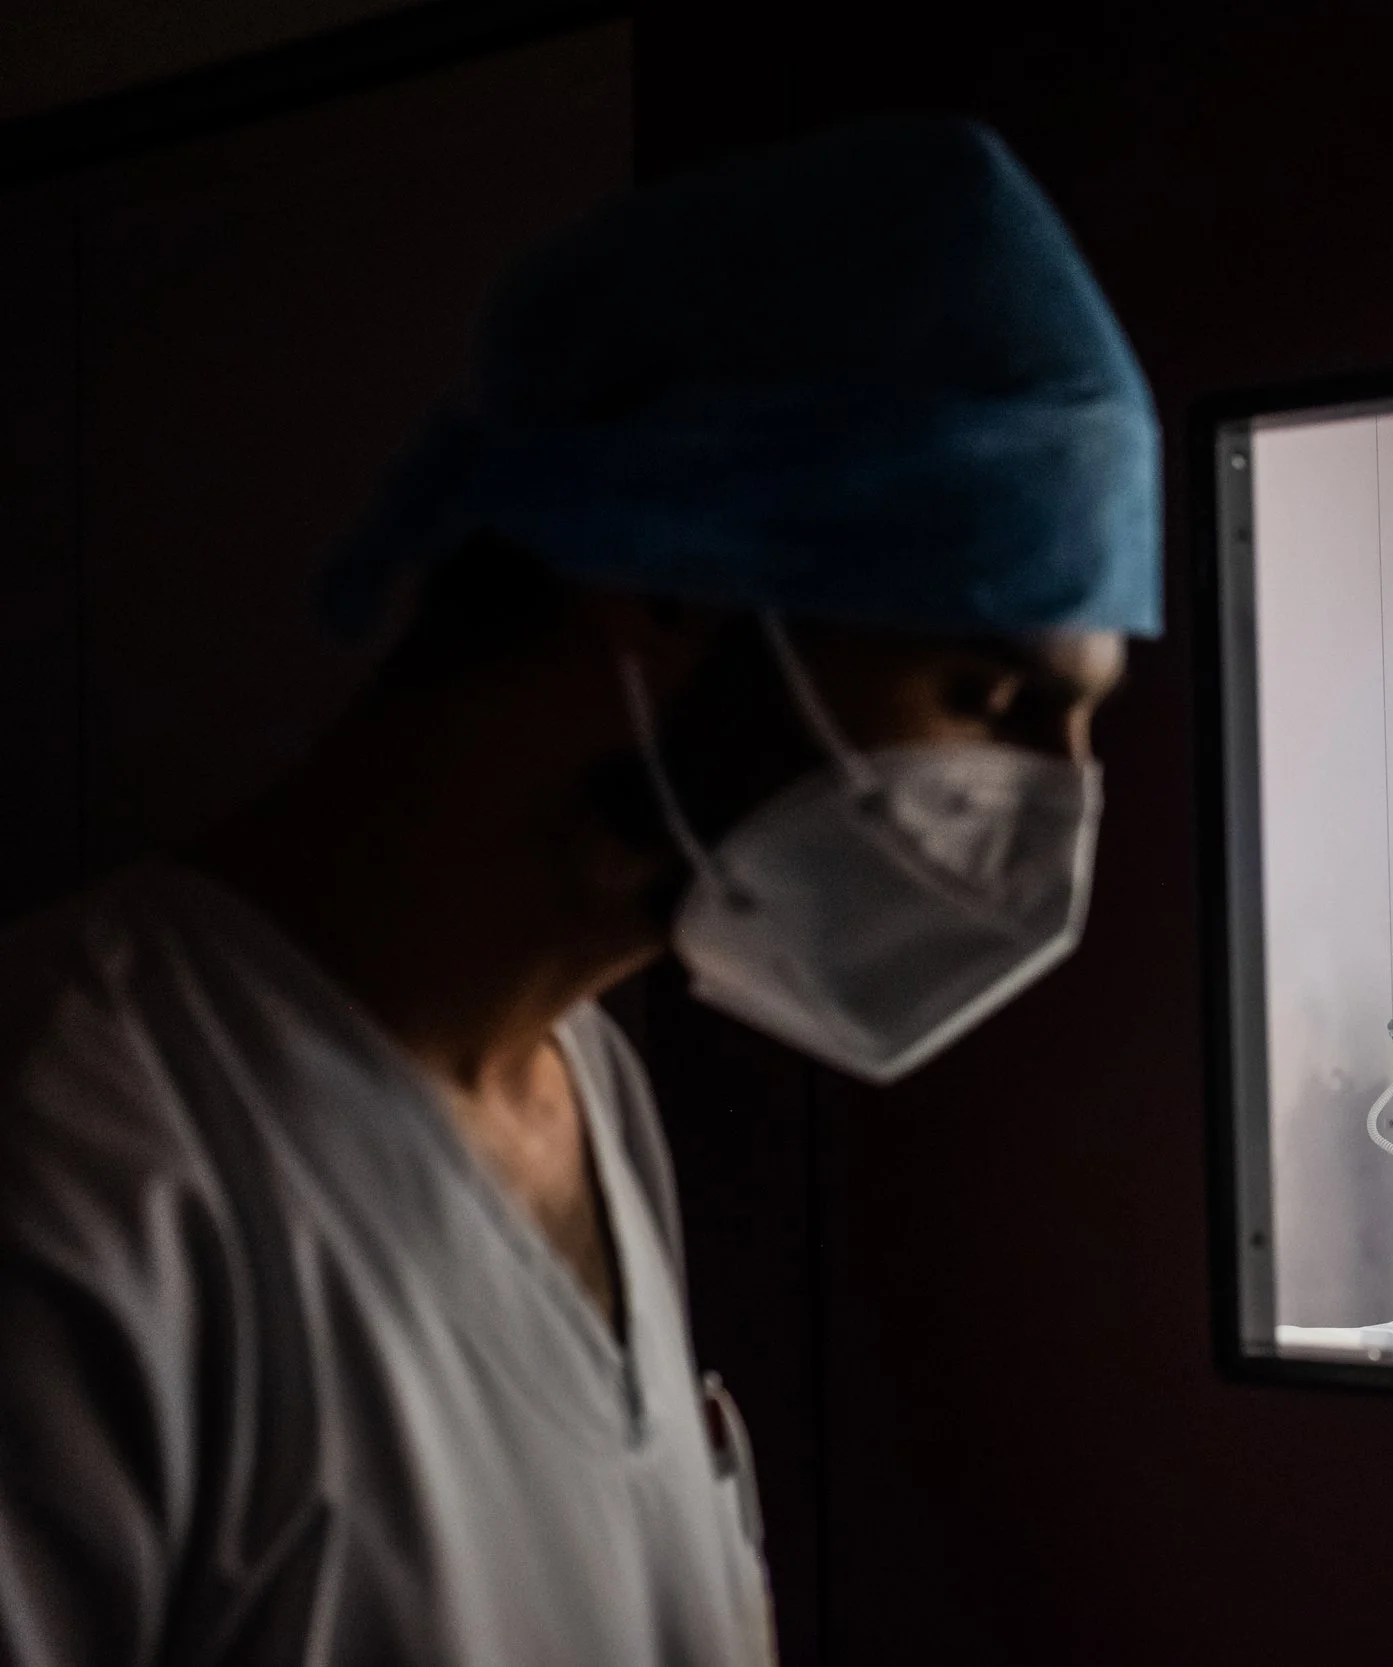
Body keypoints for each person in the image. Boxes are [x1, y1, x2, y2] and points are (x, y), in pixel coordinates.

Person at [0, 119, 1156, 1666]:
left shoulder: (588, 1085)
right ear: (678, 577)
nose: (1053, 812)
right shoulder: (80, 1152)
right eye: (991, 697)